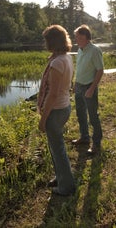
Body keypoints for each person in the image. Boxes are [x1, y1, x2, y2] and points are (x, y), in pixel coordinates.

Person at [37, 25, 76, 196]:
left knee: (58, 150)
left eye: (46, 39)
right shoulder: (65, 58)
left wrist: (43, 119)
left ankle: (66, 187)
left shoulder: (57, 62)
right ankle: (60, 177)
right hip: (64, 107)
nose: (45, 43)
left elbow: (52, 95)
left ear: (51, 41)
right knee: (55, 148)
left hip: (56, 110)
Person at [71, 24, 104, 155]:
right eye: (76, 37)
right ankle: (84, 138)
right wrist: (74, 84)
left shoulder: (95, 50)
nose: (76, 39)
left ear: (86, 37)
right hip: (79, 86)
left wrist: (92, 88)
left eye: (79, 37)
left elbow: (100, 70)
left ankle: (96, 144)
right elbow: (79, 69)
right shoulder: (80, 49)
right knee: (80, 114)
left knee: (93, 116)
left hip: (89, 86)